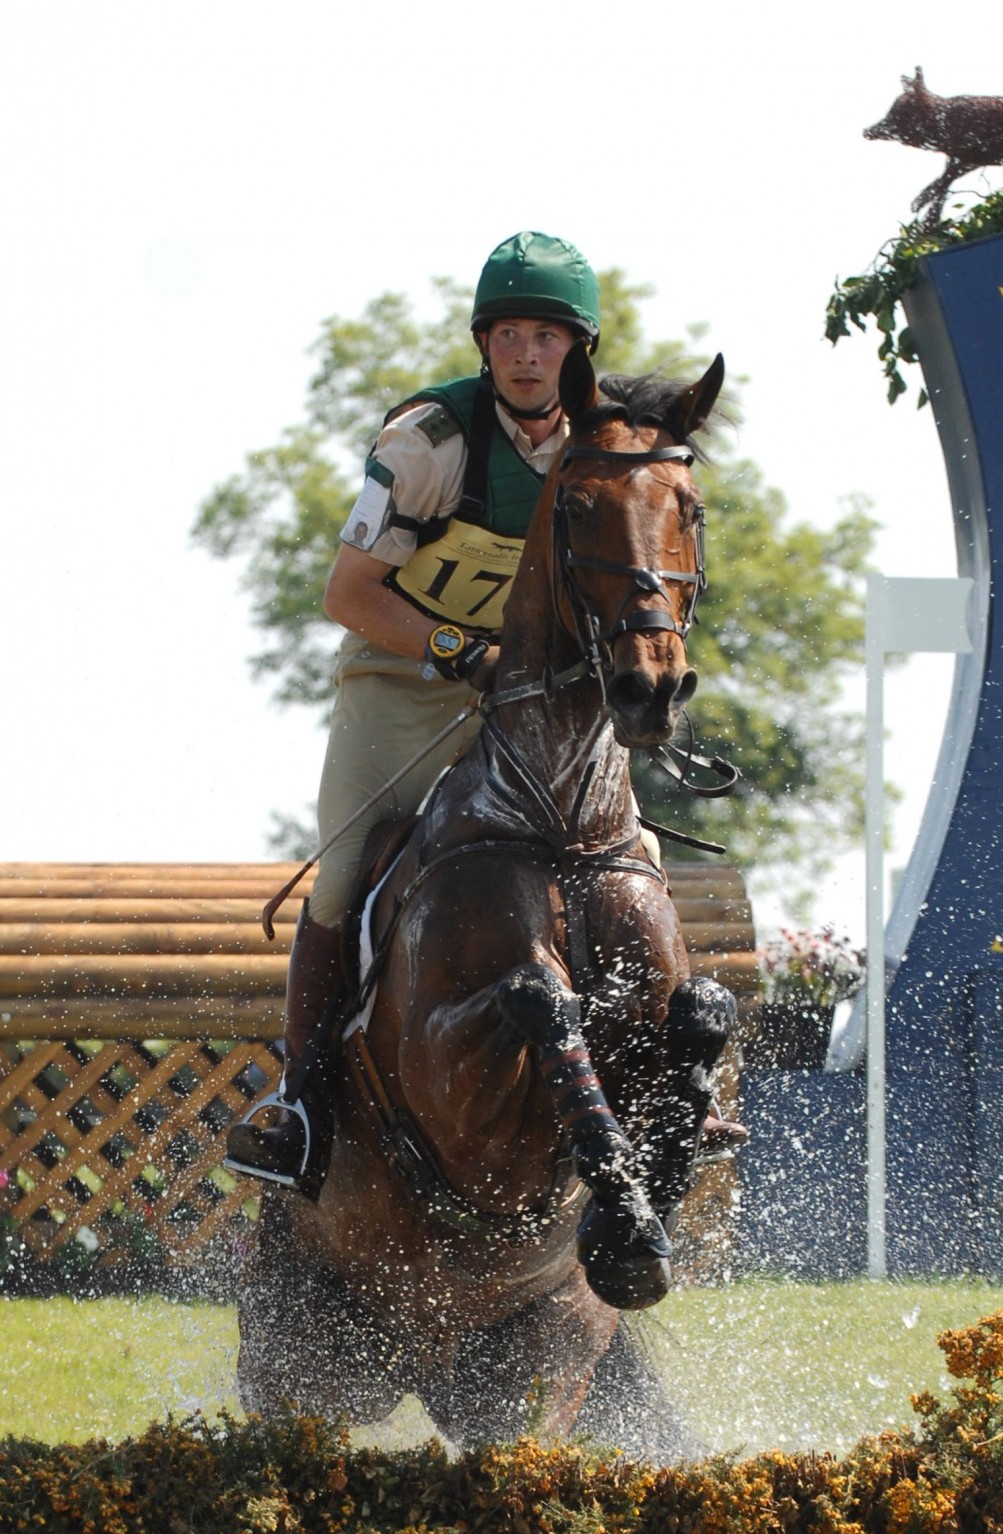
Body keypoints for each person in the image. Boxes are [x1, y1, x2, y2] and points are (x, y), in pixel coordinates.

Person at [226, 231, 602, 1191]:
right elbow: (347, 594)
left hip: (527, 699)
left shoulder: (599, 446)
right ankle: (301, 1102)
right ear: (486, 345)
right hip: (401, 681)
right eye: (509, 334)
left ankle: (649, 1080)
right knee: (346, 873)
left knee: (607, 852)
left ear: (577, 350)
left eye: (547, 338)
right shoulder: (429, 441)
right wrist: (455, 649)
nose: (526, 355)